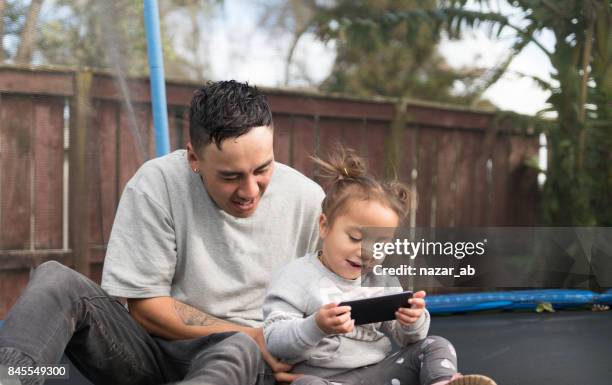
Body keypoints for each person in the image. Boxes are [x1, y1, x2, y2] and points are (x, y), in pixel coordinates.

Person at [0, 80, 325, 385]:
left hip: (251, 360)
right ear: (194, 158)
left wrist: (264, 340)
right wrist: (249, 333)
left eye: (262, 169)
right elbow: (146, 308)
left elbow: (373, 276)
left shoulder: (310, 201)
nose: (249, 190)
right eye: (230, 176)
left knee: (237, 348)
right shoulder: (156, 184)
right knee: (56, 279)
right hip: (155, 354)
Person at [262, 147, 497, 385]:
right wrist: (316, 326)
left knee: (435, 345)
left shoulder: (381, 280)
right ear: (324, 226)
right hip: (324, 379)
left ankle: (442, 383)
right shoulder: (296, 277)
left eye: (381, 243)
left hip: (379, 375)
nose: (367, 252)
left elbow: (408, 339)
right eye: (355, 238)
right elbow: (275, 339)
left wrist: (412, 319)